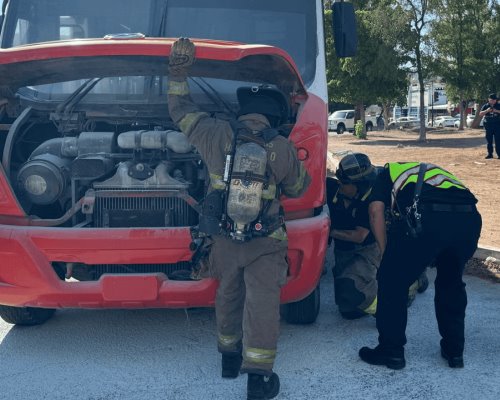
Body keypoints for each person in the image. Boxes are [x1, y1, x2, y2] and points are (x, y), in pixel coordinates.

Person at [167, 38, 311, 400]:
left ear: (242, 108)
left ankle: (228, 360)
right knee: (261, 304)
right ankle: (259, 379)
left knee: (227, 295)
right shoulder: (281, 146)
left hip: (225, 237)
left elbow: (179, 111)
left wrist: (179, 74)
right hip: (266, 242)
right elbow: (296, 188)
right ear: (273, 114)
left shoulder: (214, 132)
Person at [358, 159, 482, 370]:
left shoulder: (385, 173)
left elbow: (375, 212)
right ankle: (454, 351)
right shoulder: (430, 171)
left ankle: (391, 351)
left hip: (429, 218)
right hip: (468, 221)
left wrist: (385, 253)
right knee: (450, 282)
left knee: (391, 282)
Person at [326, 153, 427, 320]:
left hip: (367, 249)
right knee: (348, 310)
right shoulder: (331, 189)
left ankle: (409, 287)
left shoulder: (370, 200)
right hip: (344, 252)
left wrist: (328, 232)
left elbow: (360, 236)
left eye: (345, 183)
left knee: (352, 290)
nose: (340, 185)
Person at [479, 93, 500, 159]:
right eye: (491, 100)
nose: (493, 101)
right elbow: (480, 114)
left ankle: (499, 154)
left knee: (498, 140)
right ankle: (490, 154)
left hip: (497, 125)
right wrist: (487, 110)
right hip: (488, 125)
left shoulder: (498, 105)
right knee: (489, 141)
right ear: (489, 99)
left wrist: (496, 110)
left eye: (494, 100)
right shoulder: (486, 106)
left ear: (496, 100)